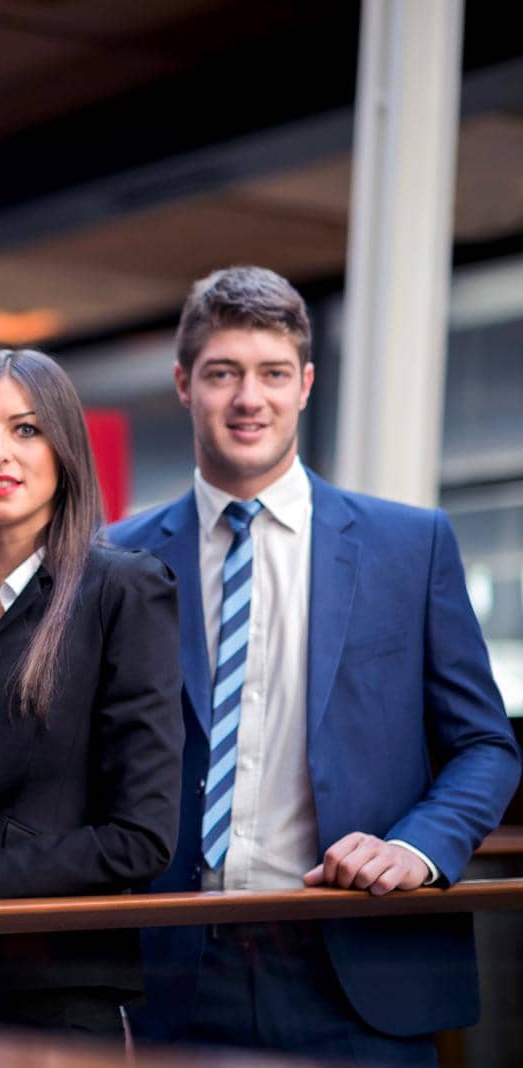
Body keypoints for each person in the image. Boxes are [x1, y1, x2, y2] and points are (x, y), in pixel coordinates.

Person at [108, 265, 521, 1063]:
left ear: (304, 384)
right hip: (177, 973)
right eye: (222, 373)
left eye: (270, 374)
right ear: (183, 384)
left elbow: (485, 746)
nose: (247, 398)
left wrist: (418, 848)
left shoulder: (410, 546)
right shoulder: (116, 557)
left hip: (360, 961)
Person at [0, 349, 183, 1039]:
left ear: (66, 447)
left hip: (46, 994)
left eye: (26, 429)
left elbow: (142, 836)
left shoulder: (123, 590)